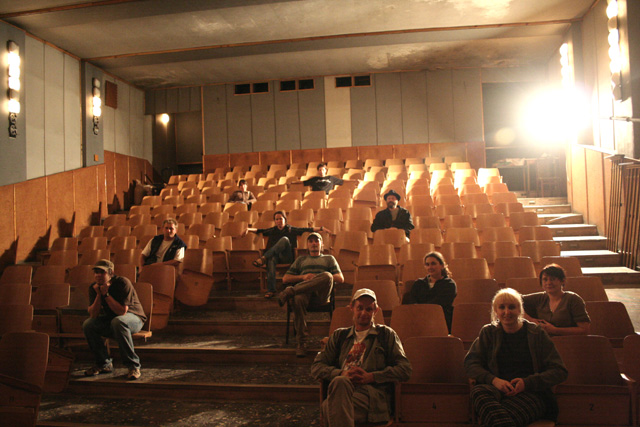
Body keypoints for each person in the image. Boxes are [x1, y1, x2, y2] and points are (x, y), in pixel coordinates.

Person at [464, 288, 568, 427]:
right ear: (496, 311)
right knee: (478, 392)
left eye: (512, 307)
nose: (507, 312)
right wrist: (494, 380)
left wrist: (527, 383)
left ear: (520, 310)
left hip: (531, 393)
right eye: (502, 307)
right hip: (496, 391)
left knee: (493, 416)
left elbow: (559, 371)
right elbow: (470, 363)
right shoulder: (488, 332)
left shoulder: (537, 334)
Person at [311, 288, 412, 426]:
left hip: (372, 397)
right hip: (341, 390)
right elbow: (317, 367)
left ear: (375, 311)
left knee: (328, 408)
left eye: (369, 309)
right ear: (351, 308)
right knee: (340, 382)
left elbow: (405, 369)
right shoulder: (339, 336)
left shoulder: (386, 335)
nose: (364, 313)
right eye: (360, 308)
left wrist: (372, 377)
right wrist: (342, 373)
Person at [279, 232, 343, 357]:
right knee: (297, 299)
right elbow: (285, 278)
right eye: (311, 241)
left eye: (316, 241)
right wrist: (303, 277)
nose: (314, 243)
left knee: (327, 275)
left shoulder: (329, 258)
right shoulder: (301, 259)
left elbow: (340, 278)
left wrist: (317, 278)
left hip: (322, 296)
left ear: (321, 244)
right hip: (304, 295)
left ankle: (290, 291)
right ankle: (301, 343)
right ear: (307, 245)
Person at [83, 259, 147, 380]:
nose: (98, 275)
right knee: (88, 324)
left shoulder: (122, 282)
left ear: (111, 273)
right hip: (113, 320)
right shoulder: (94, 287)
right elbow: (93, 315)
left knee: (118, 321)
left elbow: (122, 312)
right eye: (96, 272)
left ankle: (133, 366)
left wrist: (106, 294)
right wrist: (99, 295)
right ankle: (103, 363)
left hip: (134, 318)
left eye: (102, 272)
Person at [245, 211, 330, 299]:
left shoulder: (290, 229)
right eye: (276, 219)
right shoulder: (273, 230)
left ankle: (264, 258)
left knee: (285, 239)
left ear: (285, 220)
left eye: (280, 219)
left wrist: (321, 228)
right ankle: (271, 290)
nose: (279, 221)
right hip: (276, 257)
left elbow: (306, 229)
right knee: (271, 260)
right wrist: (248, 229)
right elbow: (260, 231)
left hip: (287, 257)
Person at [523, 263, 591, 336]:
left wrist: (555, 330)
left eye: (552, 279)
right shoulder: (540, 298)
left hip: (569, 341)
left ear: (563, 281)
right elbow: (515, 299)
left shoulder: (573, 299)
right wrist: (531, 320)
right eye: (545, 279)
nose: (548, 283)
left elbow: (584, 330)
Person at [402, 251, 457, 331]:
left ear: (442, 265)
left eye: (433, 264)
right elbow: (412, 302)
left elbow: (440, 305)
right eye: (427, 264)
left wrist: (422, 309)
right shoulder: (418, 283)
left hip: (441, 320)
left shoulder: (449, 284)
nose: (430, 267)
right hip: (418, 320)